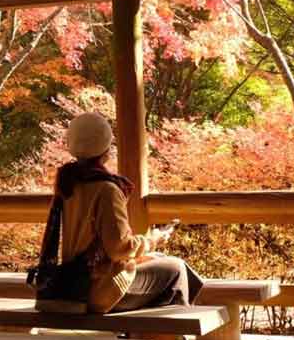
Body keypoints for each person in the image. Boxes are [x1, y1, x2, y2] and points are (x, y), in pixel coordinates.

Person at [54, 111, 204, 314]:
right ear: (106, 148)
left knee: (161, 260)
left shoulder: (67, 183)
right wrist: (153, 239)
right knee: (176, 269)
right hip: (99, 290)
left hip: (71, 286)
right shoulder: (106, 189)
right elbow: (119, 249)